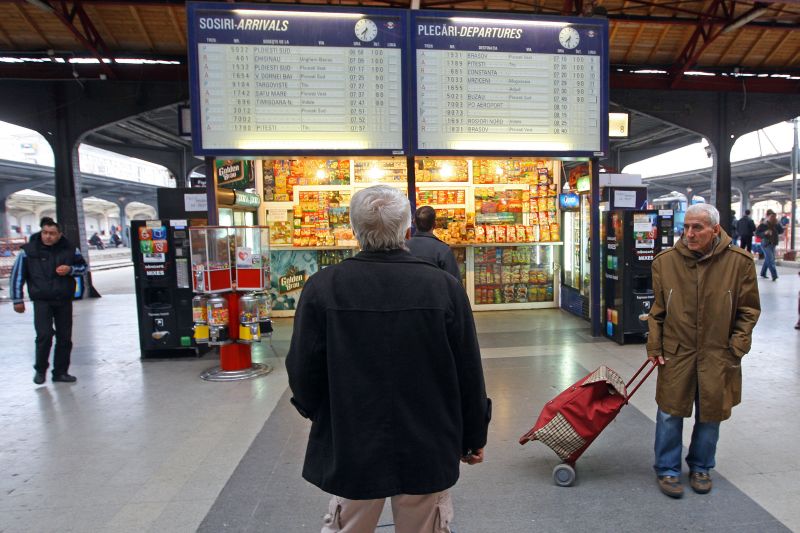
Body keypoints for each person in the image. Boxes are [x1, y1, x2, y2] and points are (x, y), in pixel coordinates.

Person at [286, 185, 491, 533]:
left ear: (354, 231)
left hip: (352, 436)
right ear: (408, 231)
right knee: (424, 522)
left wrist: (319, 412)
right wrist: (473, 435)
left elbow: (303, 370)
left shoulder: (323, 287)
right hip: (428, 436)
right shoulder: (444, 288)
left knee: (349, 520)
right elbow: (468, 370)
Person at [646, 203, 760, 499]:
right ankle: (667, 470)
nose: (689, 234)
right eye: (686, 227)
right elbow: (657, 311)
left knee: (710, 413)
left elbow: (748, 310)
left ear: (715, 229)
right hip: (677, 351)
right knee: (670, 412)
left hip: (718, 352)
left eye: (697, 228)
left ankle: (701, 466)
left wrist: (737, 347)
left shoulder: (740, 263)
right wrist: (654, 346)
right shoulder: (665, 262)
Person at [10, 217, 87, 384]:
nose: (48, 236)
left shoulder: (71, 250)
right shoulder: (28, 251)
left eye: (52, 233)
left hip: (63, 300)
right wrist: (17, 299)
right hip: (41, 300)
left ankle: (60, 372)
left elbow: (83, 268)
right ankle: (40, 369)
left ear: (59, 234)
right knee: (44, 335)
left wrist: (70, 269)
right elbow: (17, 276)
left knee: (64, 338)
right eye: (45, 232)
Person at [406, 205, 461, 281]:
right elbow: (455, 283)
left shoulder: (403, 247)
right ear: (434, 224)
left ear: (414, 222)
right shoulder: (443, 250)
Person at [756, 209, 783, 281]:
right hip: (766, 244)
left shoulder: (776, 224)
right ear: (767, 216)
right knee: (771, 259)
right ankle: (774, 275)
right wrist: (765, 233)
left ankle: (763, 273)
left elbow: (781, 231)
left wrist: (778, 224)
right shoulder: (763, 224)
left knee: (768, 258)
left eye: (774, 216)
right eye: (771, 216)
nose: (773, 218)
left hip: (773, 243)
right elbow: (757, 233)